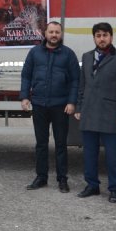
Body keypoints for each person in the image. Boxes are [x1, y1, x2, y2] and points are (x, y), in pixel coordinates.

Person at [19, 21, 79, 192]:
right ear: (45, 33)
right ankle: (41, 177)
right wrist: (25, 96)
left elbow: (76, 80)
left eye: (57, 32)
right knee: (41, 143)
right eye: (51, 32)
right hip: (39, 104)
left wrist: (72, 101)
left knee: (61, 144)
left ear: (61, 34)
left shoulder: (68, 54)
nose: (54, 35)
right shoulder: (34, 52)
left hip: (61, 106)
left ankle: (62, 179)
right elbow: (26, 75)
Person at [74, 22, 116, 203]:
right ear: (94, 38)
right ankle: (92, 185)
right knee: (89, 154)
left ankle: (115, 189)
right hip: (88, 112)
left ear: (111, 37)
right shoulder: (87, 57)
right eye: (98, 35)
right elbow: (82, 85)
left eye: (105, 35)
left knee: (113, 156)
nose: (102, 39)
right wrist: (79, 107)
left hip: (110, 114)